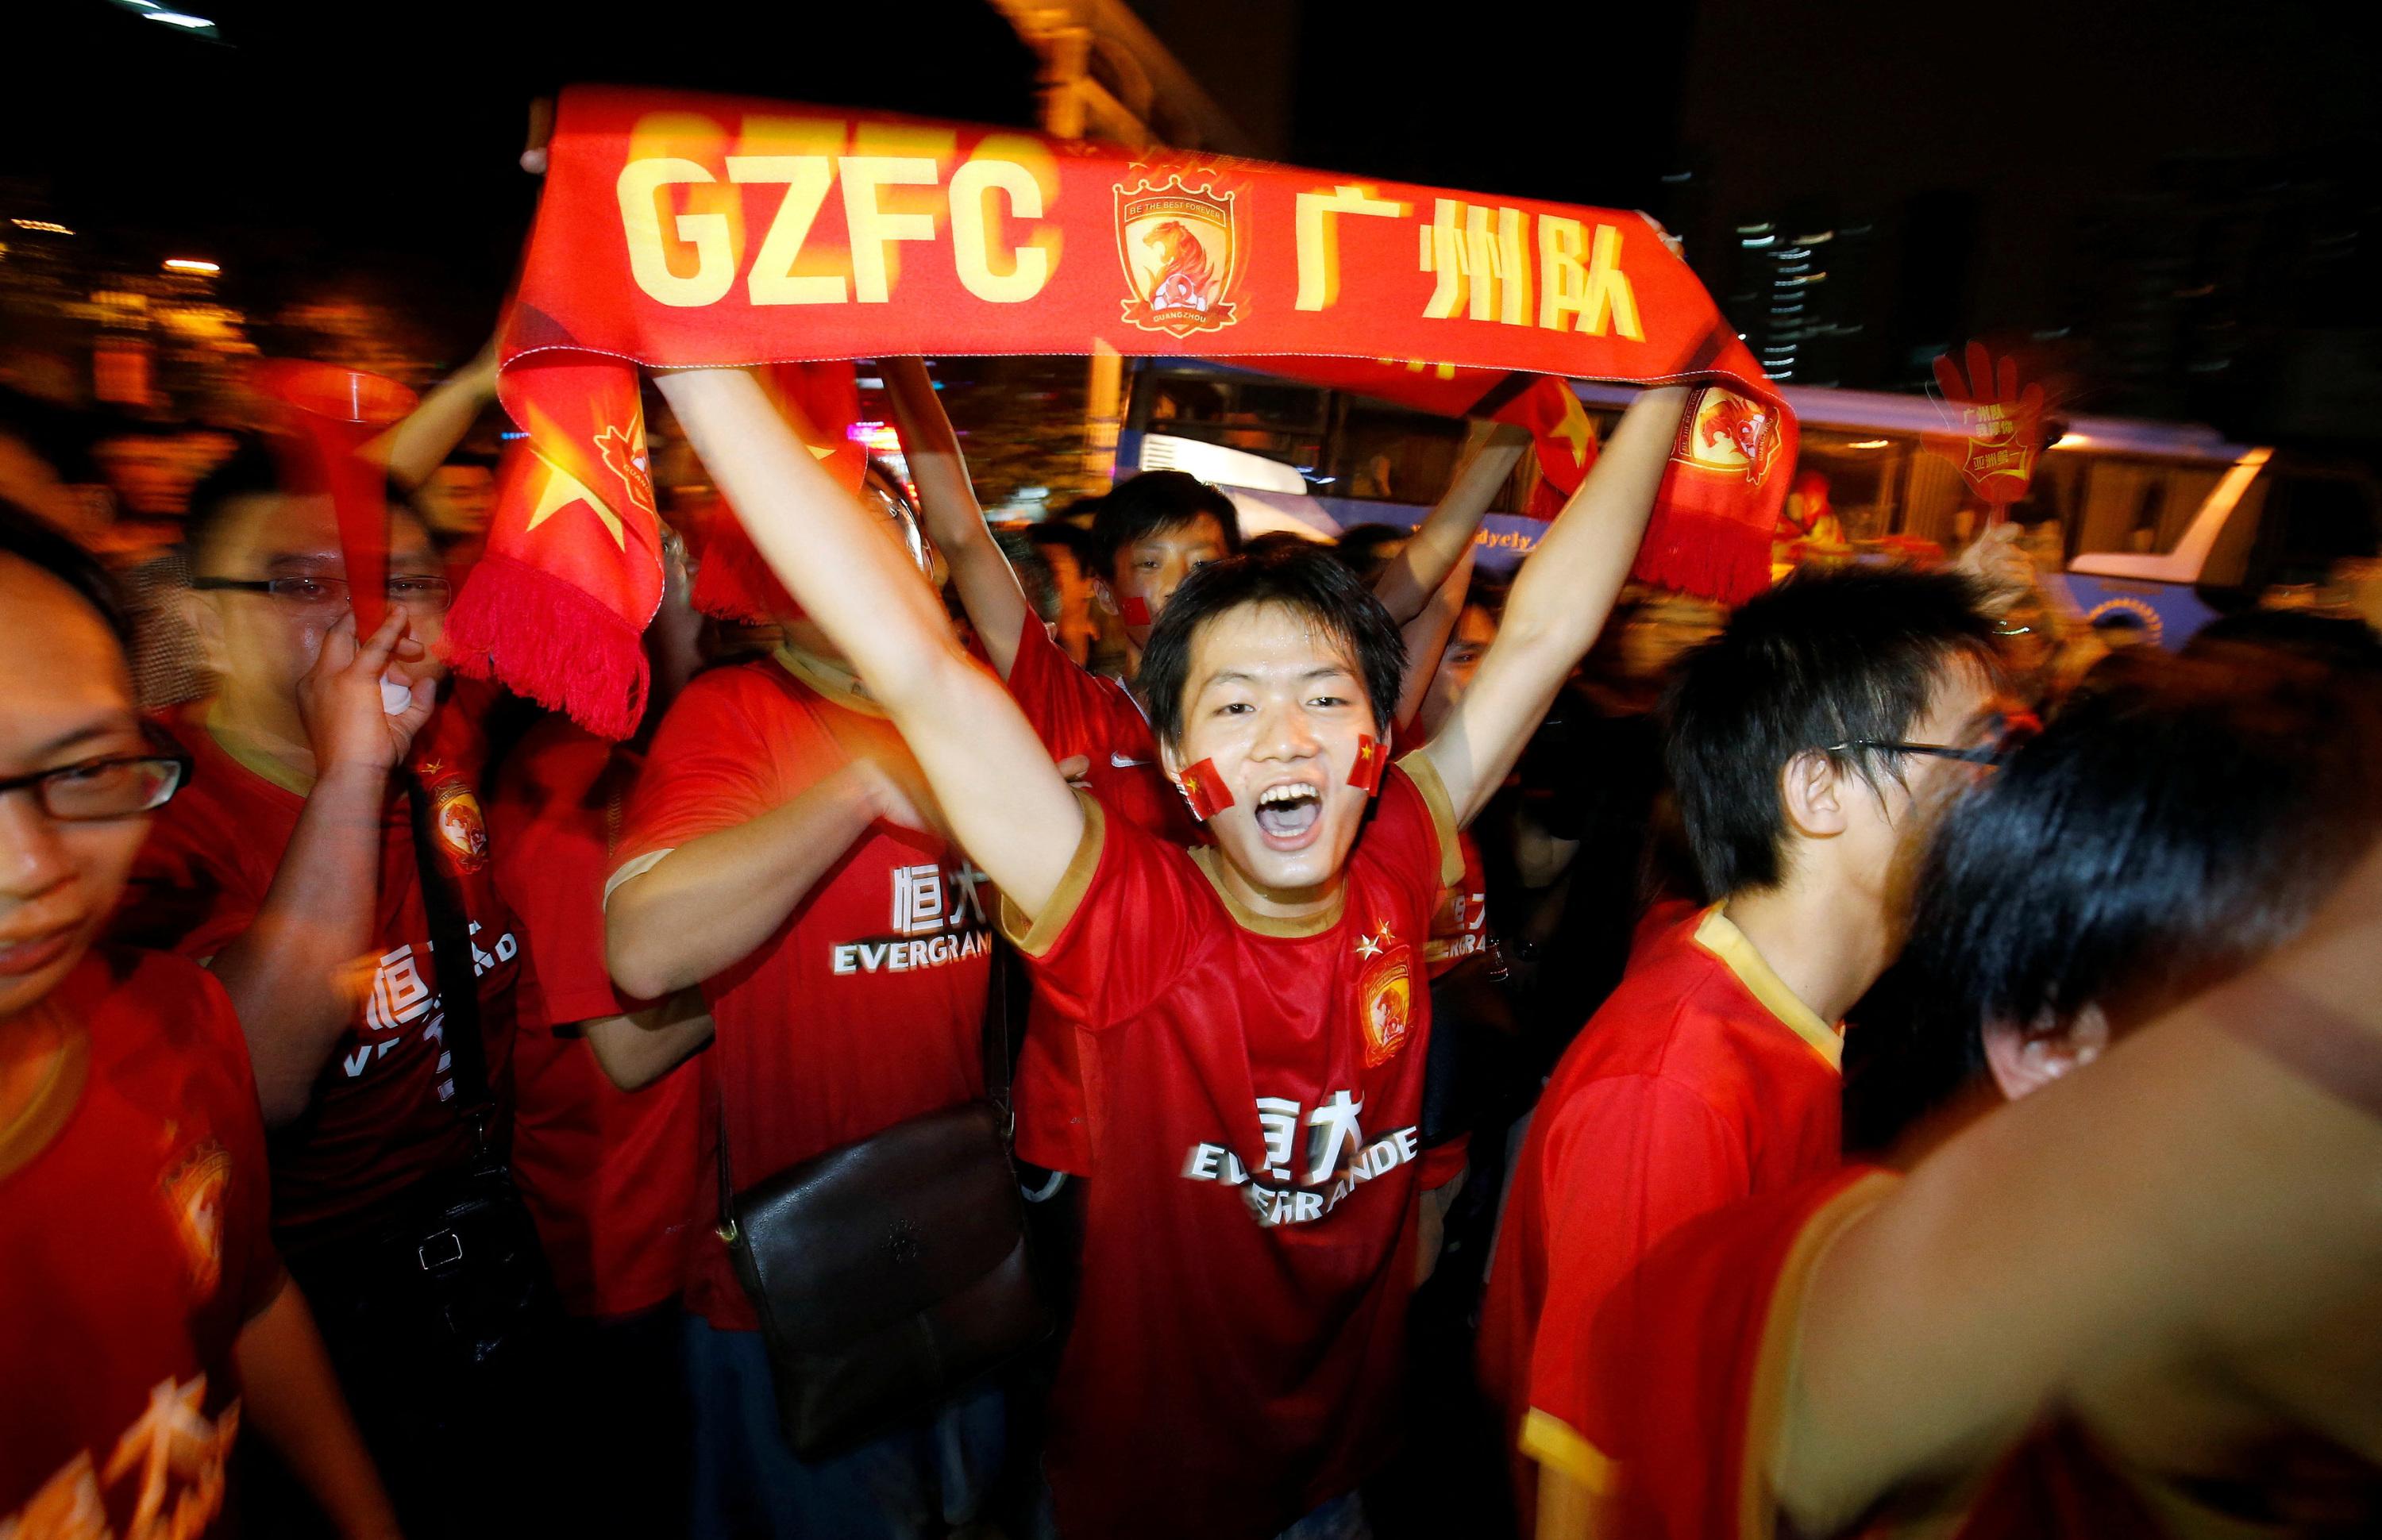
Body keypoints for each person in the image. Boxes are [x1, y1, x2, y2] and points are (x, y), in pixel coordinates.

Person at [653, 361, 1688, 1540]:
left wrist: (1663, 389)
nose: (1286, 740)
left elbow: (1550, 634)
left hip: (1338, 1480)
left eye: (1324, 697)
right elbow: (918, 667)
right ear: (1178, 756)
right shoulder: (1131, 922)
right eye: (1234, 706)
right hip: (1142, 1496)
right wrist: (693, 355)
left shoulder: (1404, 846)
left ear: (1378, 731)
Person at [1560, 651, 2382, 1538]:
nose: (1980, 794)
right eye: (1973, 750)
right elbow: (1596, 1459)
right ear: (2049, 1039)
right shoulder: (1680, 1108)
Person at [1478, 568, 2002, 1537]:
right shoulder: (1674, 1091)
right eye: (1971, 754)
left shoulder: (1775, 997)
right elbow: (1592, 1491)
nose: (1998, 796)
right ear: (1818, 787)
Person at [106, 441, 540, 1537]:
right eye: (304, 585)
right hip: (311, 1307)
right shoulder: (152, 818)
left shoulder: (454, 744)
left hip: (489, 1254)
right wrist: (350, 771)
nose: (370, 620)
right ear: (200, 620)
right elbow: (253, 1086)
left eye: (405, 581)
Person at [603, 474, 1001, 1540]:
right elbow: (642, 948)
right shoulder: (738, 713)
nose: (861, 570)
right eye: (823, 546)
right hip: (800, 1281)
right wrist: (862, 786)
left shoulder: (975, 712)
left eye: (885, 542)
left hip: (969, 1242)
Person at [0, 502, 399, 1540]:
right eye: (294, 585)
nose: (33, 869)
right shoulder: (201, 840)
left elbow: (245, 1293)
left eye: (83, 770)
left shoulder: (171, 1021)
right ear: (205, 620)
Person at [484, 526, 711, 1534]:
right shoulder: (572, 790)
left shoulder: (635, 760)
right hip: (616, 1238)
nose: (721, 610)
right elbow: (624, 1047)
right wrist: (781, 972)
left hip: (675, 1215)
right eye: (691, 584)